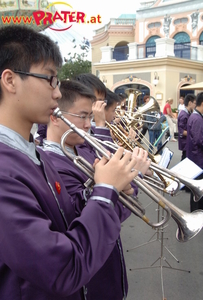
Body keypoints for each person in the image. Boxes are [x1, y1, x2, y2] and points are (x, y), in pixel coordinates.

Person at [0, 25, 147, 300]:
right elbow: (62, 268)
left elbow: (70, 224)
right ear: (10, 80)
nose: (57, 93)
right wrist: (104, 194)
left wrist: (113, 190)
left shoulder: (37, 155)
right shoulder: (4, 170)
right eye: (50, 79)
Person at [42, 80, 150, 300]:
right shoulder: (53, 165)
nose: (88, 124)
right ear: (55, 117)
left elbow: (118, 208)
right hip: (91, 279)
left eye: (90, 117)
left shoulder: (84, 151)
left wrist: (125, 182)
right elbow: (93, 218)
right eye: (83, 116)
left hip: (108, 262)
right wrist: (127, 181)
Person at [186, 92, 203, 212]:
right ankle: (197, 212)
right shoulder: (197, 118)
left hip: (196, 158)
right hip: (198, 160)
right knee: (198, 192)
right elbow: (199, 140)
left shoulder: (195, 116)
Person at [178, 94, 196, 161]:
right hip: (185, 142)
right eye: (194, 103)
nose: (195, 105)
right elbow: (182, 131)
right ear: (189, 103)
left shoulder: (188, 113)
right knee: (185, 159)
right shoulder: (183, 115)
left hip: (187, 142)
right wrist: (194, 134)